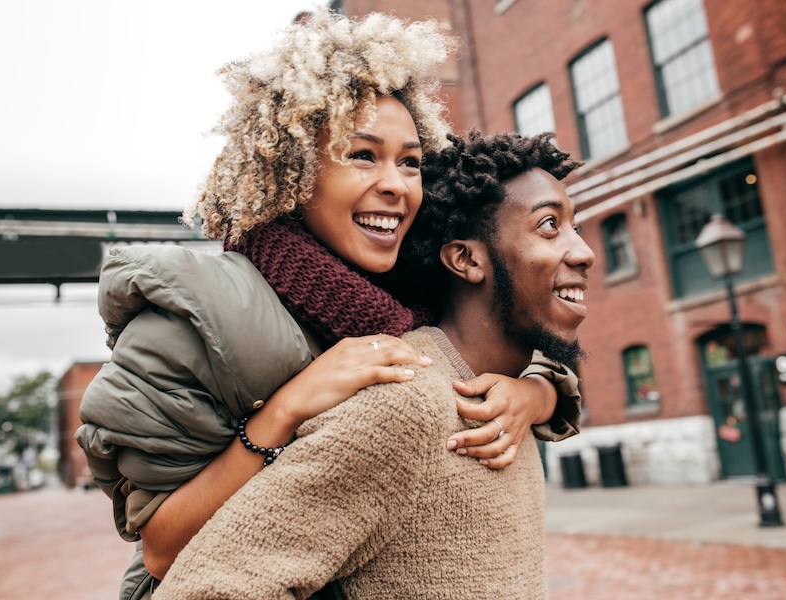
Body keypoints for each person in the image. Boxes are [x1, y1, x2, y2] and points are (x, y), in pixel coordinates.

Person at [75, 9, 581, 599]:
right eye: (362, 155)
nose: (396, 183)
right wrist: (285, 411)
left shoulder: (403, 291)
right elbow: (161, 551)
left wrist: (535, 392)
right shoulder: (200, 314)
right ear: (291, 168)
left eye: (410, 161)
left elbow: (510, 326)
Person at [153, 129, 595, 599]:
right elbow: (205, 588)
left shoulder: (510, 397)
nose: (584, 252)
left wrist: (541, 392)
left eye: (576, 227)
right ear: (465, 259)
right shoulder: (406, 406)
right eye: (549, 226)